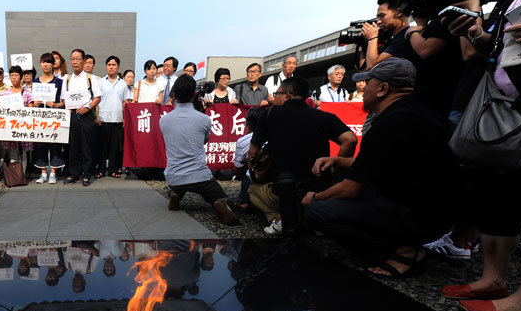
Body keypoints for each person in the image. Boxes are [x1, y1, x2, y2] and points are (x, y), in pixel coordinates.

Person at [440, 0, 521, 311]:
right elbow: (495, 49)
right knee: (496, 192)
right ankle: (493, 277)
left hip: (520, 108)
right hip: (505, 106)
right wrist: (475, 32)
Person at [302, 58, 458, 277]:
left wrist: (315, 197)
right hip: (440, 212)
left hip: (418, 216)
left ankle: (403, 250)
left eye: (368, 82)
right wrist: (337, 160)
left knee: (316, 211)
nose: (364, 88)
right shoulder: (418, 111)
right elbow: (374, 162)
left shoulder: (390, 123)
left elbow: (350, 188)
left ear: (383, 88)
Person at [249, 77, 357, 236]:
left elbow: (252, 151)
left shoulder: (269, 115)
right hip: (318, 194)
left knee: (252, 190)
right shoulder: (324, 116)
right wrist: (336, 168)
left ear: (287, 95)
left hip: (283, 192)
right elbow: (350, 140)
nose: (275, 97)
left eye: (277, 94)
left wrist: (253, 172)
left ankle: (279, 219)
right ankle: (315, 218)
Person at [159, 75, 240, 225]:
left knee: (180, 180)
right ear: (195, 94)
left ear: (174, 95)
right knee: (216, 194)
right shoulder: (204, 119)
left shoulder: (163, 120)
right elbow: (204, 140)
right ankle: (219, 203)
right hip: (200, 177)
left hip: (173, 177)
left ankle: (177, 193)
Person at [62, 49, 102, 186]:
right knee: (72, 146)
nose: (75, 62)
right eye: (73, 59)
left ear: (83, 61)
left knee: (86, 146)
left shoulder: (90, 78)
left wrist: (88, 108)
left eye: (78, 59)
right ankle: (73, 174)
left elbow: (98, 97)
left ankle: (86, 174)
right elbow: (64, 99)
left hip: (86, 115)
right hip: (72, 115)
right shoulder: (67, 79)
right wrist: (66, 107)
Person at [361, 0, 417, 70]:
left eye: (382, 16)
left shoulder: (406, 36)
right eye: (378, 17)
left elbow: (372, 66)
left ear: (399, 12)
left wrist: (372, 38)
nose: (378, 22)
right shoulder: (393, 38)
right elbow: (364, 71)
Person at [31, 52, 65, 183]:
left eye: (48, 62)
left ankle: (53, 173)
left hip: (54, 118)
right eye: (43, 62)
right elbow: (31, 103)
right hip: (40, 118)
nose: (45, 65)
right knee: (40, 144)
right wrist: (35, 104)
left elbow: (64, 102)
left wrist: (55, 105)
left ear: (53, 64)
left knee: (55, 144)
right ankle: (43, 173)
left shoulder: (59, 82)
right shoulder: (35, 82)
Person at [96, 55, 130, 178]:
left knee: (114, 147)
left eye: (114, 65)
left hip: (117, 118)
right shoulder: (100, 82)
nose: (111, 67)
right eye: (109, 65)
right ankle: (100, 169)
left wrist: (125, 118)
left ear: (118, 67)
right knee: (101, 146)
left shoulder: (123, 84)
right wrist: (97, 116)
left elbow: (125, 102)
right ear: (106, 66)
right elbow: (96, 101)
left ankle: (112, 169)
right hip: (103, 118)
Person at [1, 65, 33, 168]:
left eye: (16, 75)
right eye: (12, 75)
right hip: (9, 127)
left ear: (21, 77)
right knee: (10, 153)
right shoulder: (4, 93)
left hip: (23, 126)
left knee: (22, 153)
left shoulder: (27, 92)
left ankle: (21, 174)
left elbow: (31, 109)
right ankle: (11, 174)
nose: (14, 77)